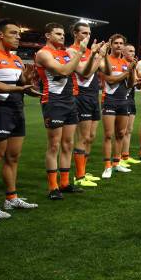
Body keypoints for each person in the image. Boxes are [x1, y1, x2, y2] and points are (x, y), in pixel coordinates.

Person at [0, 19, 41, 219]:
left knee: (13, 157)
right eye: (13, 33)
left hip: (16, 109)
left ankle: (11, 198)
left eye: (19, 33)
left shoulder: (16, 59)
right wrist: (18, 88)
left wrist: (29, 82)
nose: (18, 37)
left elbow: (23, 85)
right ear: (1, 35)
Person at [35, 22, 102, 200]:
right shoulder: (43, 53)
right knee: (54, 145)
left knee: (68, 144)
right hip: (53, 101)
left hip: (70, 101)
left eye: (63, 34)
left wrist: (94, 54)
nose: (62, 36)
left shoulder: (65, 53)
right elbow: (64, 71)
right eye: (57, 34)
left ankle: (64, 183)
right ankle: (53, 187)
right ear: (47, 36)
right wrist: (81, 52)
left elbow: (83, 72)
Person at [67, 22, 106, 187]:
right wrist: (96, 57)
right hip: (81, 96)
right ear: (75, 34)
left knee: (90, 137)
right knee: (82, 137)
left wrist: (100, 55)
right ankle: (79, 176)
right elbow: (85, 73)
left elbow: (106, 70)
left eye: (89, 33)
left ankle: (83, 171)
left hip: (93, 95)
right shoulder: (71, 51)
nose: (87, 36)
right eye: (83, 33)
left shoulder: (91, 51)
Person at [99, 34, 137, 179]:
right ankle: (107, 166)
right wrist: (127, 71)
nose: (119, 45)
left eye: (121, 43)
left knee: (121, 134)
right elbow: (111, 80)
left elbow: (130, 84)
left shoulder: (125, 62)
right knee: (109, 135)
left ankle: (117, 162)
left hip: (124, 101)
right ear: (111, 45)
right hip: (109, 100)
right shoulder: (104, 60)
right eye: (116, 43)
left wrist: (132, 70)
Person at [120, 44, 141, 165]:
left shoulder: (132, 65)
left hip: (131, 99)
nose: (132, 53)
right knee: (121, 131)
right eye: (129, 51)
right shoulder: (121, 63)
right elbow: (127, 82)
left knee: (129, 130)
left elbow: (134, 82)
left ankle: (125, 156)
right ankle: (117, 158)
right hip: (122, 99)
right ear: (123, 52)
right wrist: (136, 81)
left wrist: (139, 82)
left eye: (133, 51)